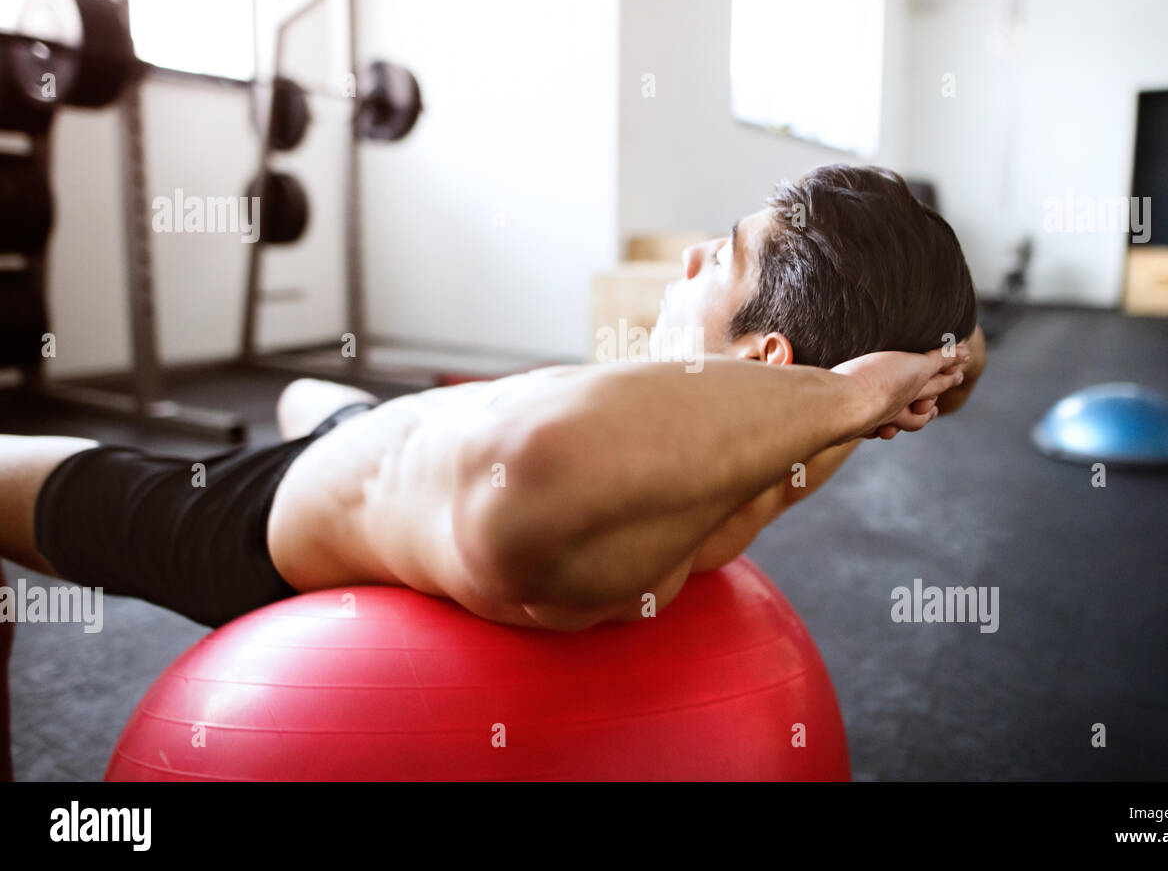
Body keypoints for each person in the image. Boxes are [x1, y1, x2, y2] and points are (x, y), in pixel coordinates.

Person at [0, 165, 985, 632]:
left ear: (772, 362)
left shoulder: (630, 464)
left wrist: (851, 395)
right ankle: (330, 407)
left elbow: (545, 464)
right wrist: (889, 377)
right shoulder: (780, 439)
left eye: (718, 257)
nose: (686, 256)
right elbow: (955, 347)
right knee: (311, 392)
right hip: (373, 447)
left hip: (243, 519)